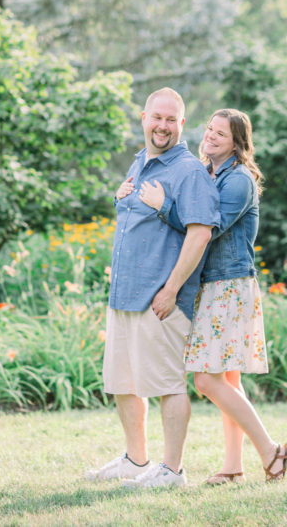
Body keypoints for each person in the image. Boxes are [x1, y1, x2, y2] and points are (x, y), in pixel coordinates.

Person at [138, 108, 287, 484]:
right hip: (213, 284)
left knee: (206, 380)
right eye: (209, 129)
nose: (210, 136)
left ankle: (271, 450)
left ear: (238, 141)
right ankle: (233, 467)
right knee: (229, 380)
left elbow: (206, 227)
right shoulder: (209, 173)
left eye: (221, 133)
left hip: (230, 286)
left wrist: (163, 207)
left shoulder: (238, 180)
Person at [85, 87, 220, 489]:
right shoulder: (140, 162)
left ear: (181, 124)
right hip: (125, 294)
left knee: (166, 384)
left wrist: (171, 288)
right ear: (144, 118)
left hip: (159, 299)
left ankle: (173, 471)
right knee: (124, 382)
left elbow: (200, 233)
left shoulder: (188, 171)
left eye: (171, 119)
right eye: (156, 117)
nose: (162, 126)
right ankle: (135, 460)